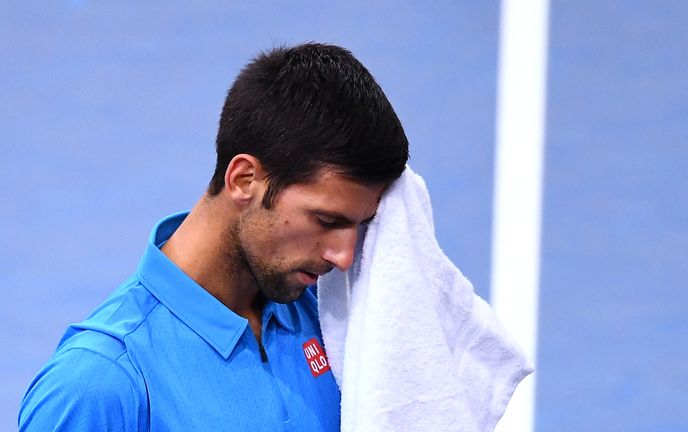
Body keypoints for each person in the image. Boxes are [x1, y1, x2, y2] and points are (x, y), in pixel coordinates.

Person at [19, 42, 409, 431]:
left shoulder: (335, 318)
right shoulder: (101, 386)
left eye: (360, 224)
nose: (344, 256)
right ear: (244, 180)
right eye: (326, 220)